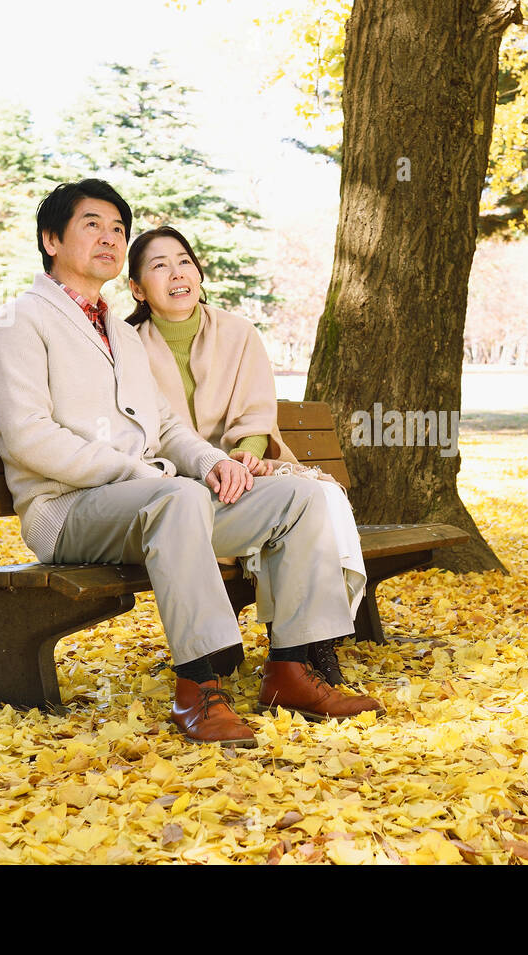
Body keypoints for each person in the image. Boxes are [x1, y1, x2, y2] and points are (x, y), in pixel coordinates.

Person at [0, 179, 383, 748]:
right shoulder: (20, 322)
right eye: (92, 224)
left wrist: (215, 462)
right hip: (67, 510)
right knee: (178, 495)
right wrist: (142, 475)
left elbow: (166, 426)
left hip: (157, 503)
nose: (110, 238)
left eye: (119, 228)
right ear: (51, 239)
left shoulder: (118, 330)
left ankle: (290, 669)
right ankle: (199, 686)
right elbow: (27, 436)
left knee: (300, 499)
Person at [124, 226, 366, 686]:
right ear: (137, 288)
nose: (177, 274)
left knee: (318, 497)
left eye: (184, 261)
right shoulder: (125, 345)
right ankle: (283, 648)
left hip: (248, 468)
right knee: (264, 506)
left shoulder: (237, 332)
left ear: (198, 271)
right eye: (159, 266)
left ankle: (310, 646)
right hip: (175, 483)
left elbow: (256, 415)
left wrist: (245, 456)